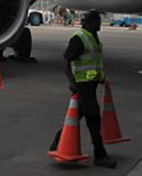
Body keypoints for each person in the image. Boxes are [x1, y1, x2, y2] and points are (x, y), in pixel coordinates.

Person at [50, 11, 116, 169]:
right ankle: (100, 155)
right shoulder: (79, 38)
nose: (100, 24)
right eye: (98, 21)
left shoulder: (93, 37)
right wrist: (72, 82)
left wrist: (100, 77)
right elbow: (66, 59)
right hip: (83, 83)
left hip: (91, 83)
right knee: (93, 117)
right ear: (91, 22)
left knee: (78, 113)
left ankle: (58, 142)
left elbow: (94, 60)